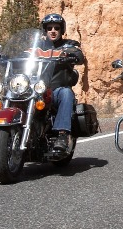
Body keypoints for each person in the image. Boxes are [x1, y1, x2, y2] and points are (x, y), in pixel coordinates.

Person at [38, 13, 84, 155]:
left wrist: (73, 55)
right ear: (44, 30)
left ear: (61, 30)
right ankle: (5, 131)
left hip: (55, 92)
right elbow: (21, 53)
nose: (52, 30)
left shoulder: (68, 44)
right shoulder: (37, 46)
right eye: (49, 28)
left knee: (66, 92)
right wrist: (5, 57)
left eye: (56, 28)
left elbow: (79, 55)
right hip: (37, 90)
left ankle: (62, 135)